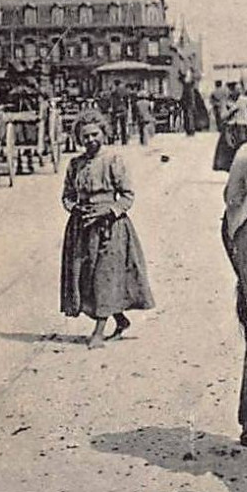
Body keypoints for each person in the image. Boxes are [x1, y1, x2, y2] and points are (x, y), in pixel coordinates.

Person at [59, 112, 155, 348]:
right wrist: (75, 209)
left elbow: (127, 196)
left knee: (105, 275)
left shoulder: (113, 160)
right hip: (82, 228)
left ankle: (99, 333)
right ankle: (120, 321)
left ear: (104, 133)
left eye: (95, 134)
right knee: (87, 277)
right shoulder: (75, 164)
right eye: (85, 136)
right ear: (79, 139)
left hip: (110, 227)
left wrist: (109, 211)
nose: (91, 140)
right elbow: (67, 196)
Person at [212, 83, 247, 171]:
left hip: (242, 127)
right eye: (236, 90)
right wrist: (232, 110)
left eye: (240, 89)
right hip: (230, 128)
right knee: (230, 151)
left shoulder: (244, 99)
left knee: (243, 150)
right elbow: (222, 116)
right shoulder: (225, 101)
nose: (239, 92)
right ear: (231, 90)